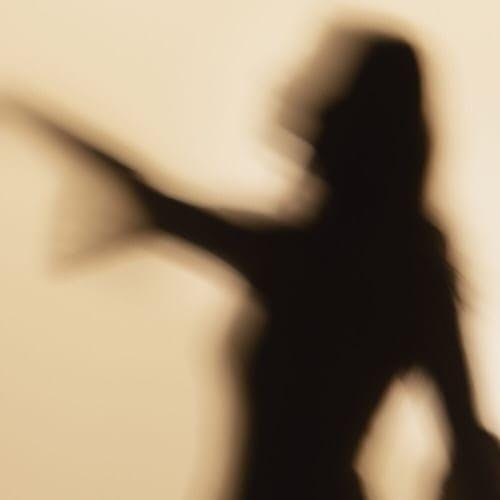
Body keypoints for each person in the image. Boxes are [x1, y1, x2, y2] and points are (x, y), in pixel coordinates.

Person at [8, 28, 499, 499]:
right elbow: (162, 204)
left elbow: (470, 454)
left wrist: (25, 111)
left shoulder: (342, 265)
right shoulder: (350, 263)